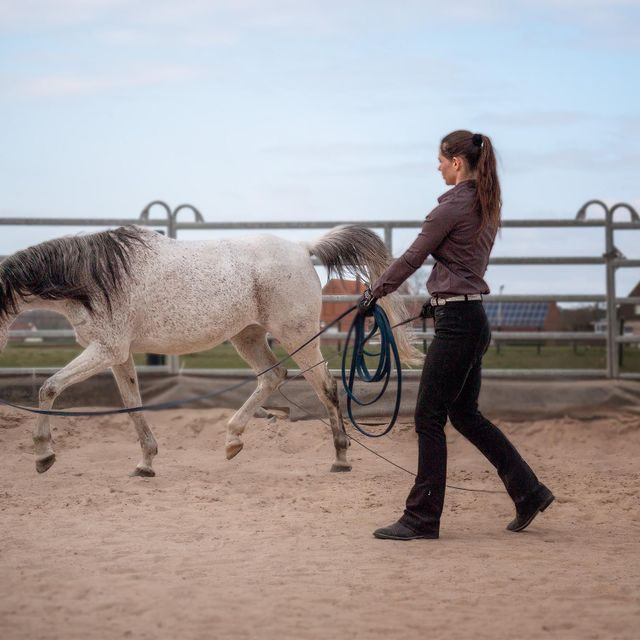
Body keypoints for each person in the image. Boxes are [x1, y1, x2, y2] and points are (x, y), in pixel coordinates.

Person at [358, 130, 554, 540]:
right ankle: (529, 492)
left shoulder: (451, 208)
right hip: (470, 319)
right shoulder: (484, 203)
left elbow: (413, 256)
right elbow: (459, 268)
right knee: (464, 414)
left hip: (459, 325)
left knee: (429, 417)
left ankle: (422, 518)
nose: (438, 167)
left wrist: (375, 291)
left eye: (442, 160)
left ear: (457, 163)